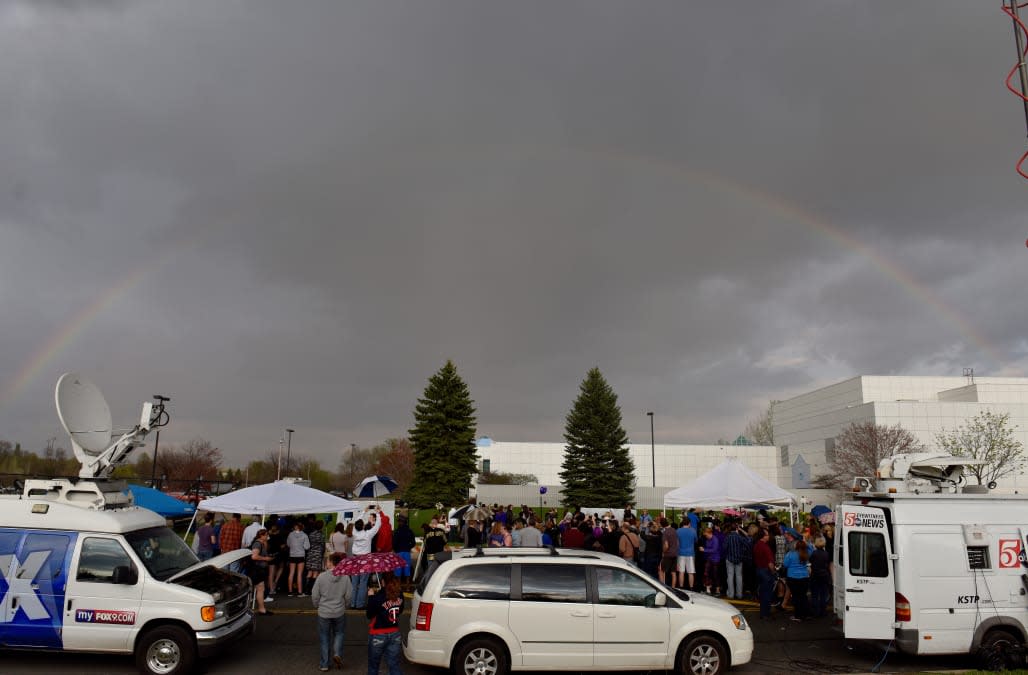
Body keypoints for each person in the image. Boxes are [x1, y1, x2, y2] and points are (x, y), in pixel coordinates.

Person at [312, 552, 352, 672]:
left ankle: (324, 664)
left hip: (324, 611)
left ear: (331, 563)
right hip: (339, 611)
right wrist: (346, 605)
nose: (326, 562)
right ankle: (337, 653)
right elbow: (349, 595)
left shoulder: (321, 577)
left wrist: (317, 605)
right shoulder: (345, 577)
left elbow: (315, 595)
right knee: (339, 633)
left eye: (328, 561)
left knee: (324, 637)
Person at [366, 573, 404, 675]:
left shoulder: (378, 597)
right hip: (395, 633)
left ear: (382, 582)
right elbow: (400, 610)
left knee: (373, 666)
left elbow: (369, 614)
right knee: (394, 665)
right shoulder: (400, 595)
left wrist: (371, 597)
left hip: (378, 633)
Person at [351, 512, 383, 609]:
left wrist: (363, 512)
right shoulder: (368, 534)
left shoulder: (354, 533)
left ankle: (353, 603)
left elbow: (356, 521)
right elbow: (378, 525)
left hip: (355, 558)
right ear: (363, 526)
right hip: (365, 559)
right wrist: (377, 513)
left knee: (354, 582)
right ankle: (360, 604)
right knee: (363, 582)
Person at [783, 539, 811, 621]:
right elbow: (812, 549)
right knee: (803, 596)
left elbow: (785, 564)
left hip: (792, 578)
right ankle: (806, 614)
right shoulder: (806, 553)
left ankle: (798, 615)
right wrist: (807, 544)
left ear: (796, 546)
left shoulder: (790, 554)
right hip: (804, 577)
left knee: (796, 597)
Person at [723, 522, 752, 600]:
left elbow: (724, 548)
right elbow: (749, 542)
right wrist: (741, 530)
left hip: (729, 559)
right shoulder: (740, 537)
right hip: (739, 559)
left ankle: (731, 595)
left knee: (730, 576)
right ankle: (739, 594)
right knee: (739, 577)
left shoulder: (728, 537)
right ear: (737, 528)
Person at [753, 529, 776, 620]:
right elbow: (770, 563)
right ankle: (766, 614)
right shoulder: (765, 547)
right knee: (767, 594)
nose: (768, 536)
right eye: (767, 535)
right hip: (766, 571)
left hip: (759, 570)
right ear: (763, 536)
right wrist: (774, 572)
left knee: (763, 593)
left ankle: (763, 613)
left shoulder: (756, 545)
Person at [250, 529, 274, 616]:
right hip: (257, 569)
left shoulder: (262, 543)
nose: (268, 536)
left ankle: (261, 608)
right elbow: (254, 556)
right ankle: (262, 609)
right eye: (266, 535)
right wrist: (266, 559)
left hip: (260, 569)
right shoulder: (257, 544)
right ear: (262, 536)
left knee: (260, 589)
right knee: (260, 589)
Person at [809, 536, 832, 618]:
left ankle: (816, 612)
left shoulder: (814, 553)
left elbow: (810, 561)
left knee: (815, 594)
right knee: (823, 594)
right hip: (824, 575)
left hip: (815, 575)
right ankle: (823, 611)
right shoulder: (826, 553)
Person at [287, 521, 311, 597]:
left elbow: (288, 544)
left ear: (295, 527)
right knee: (299, 574)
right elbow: (307, 547)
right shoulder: (304, 535)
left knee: (291, 573)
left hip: (292, 555)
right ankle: (300, 592)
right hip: (300, 555)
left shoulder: (290, 534)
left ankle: (290, 592)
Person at [306, 520, 326, 595]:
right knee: (315, 573)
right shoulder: (321, 535)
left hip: (310, 554)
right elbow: (323, 546)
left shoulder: (311, 534)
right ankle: (312, 590)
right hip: (317, 555)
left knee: (309, 572)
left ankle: (306, 589)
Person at [676, 518, 697, 590]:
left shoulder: (678, 531)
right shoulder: (693, 530)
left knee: (681, 572)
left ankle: (681, 587)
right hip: (690, 553)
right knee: (691, 572)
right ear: (689, 523)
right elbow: (696, 540)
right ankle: (691, 587)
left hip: (681, 553)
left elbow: (677, 542)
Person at [660, 518, 679, 588]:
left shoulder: (665, 533)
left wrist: (663, 551)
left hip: (668, 554)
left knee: (661, 570)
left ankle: (662, 587)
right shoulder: (674, 530)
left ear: (662, 525)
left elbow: (666, 545)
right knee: (673, 572)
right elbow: (677, 542)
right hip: (675, 553)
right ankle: (673, 588)